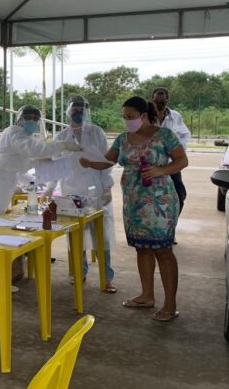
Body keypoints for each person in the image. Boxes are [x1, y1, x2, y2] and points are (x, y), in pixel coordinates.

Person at [80, 96, 188, 322]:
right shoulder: (123, 139)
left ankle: (170, 304)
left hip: (160, 203)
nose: (127, 120)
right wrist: (89, 162)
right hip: (134, 203)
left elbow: (181, 161)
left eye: (130, 116)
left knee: (163, 251)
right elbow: (107, 161)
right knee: (142, 248)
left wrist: (161, 170)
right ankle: (146, 296)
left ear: (144, 115)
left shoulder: (164, 135)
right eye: (124, 117)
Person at [0, 105, 82, 301]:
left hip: (0, 189)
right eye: (29, 117)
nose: (32, 121)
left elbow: (20, 169)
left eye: (36, 118)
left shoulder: (22, 139)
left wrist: (35, 184)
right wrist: (62, 145)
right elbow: (36, 151)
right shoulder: (14, 133)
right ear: (19, 118)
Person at [44, 96, 117, 293]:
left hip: (96, 190)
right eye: (75, 108)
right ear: (68, 111)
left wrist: (108, 187)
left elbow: (106, 162)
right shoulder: (61, 137)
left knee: (102, 236)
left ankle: (106, 277)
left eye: (82, 108)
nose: (78, 112)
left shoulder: (96, 132)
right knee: (75, 237)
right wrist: (50, 187)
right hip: (71, 191)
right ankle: (79, 272)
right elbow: (56, 167)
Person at [151, 87, 190, 243]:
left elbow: (185, 134)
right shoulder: (146, 116)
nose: (160, 103)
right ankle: (152, 231)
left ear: (168, 100)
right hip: (151, 166)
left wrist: (178, 150)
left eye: (163, 101)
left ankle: (169, 230)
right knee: (151, 200)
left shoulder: (175, 116)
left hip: (170, 166)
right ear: (152, 99)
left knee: (179, 197)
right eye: (157, 100)